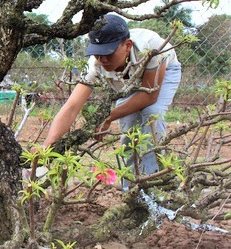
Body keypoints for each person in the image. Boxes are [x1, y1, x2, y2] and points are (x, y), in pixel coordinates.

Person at [42, 14, 181, 188]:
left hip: (164, 72)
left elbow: (149, 96)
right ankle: (132, 187)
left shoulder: (151, 47)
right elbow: (72, 106)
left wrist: (108, 117)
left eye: (108, 53)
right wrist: (47, 145)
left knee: (151, 114)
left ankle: (158, 182)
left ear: (127, 45)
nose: (103, 60)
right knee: (129, 130)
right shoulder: (95, 65)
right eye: (98, 54)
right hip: (126, 80)